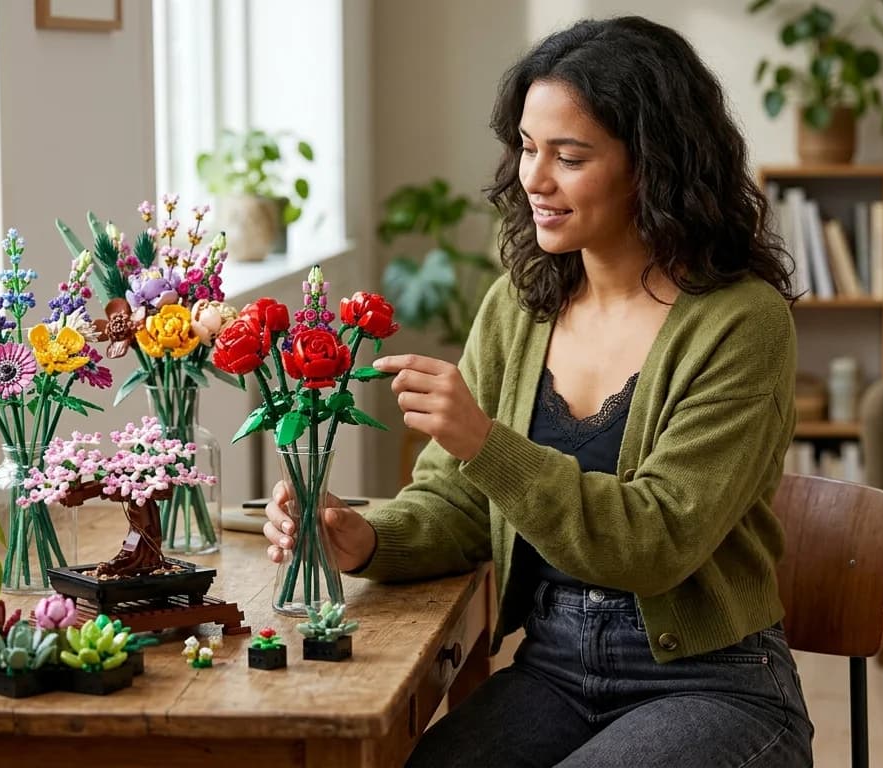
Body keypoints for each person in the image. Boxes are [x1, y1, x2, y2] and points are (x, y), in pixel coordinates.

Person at [263, 16, 813, 767]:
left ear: (652, 165)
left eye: (569, 156)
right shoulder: (518, 308)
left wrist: (485, 443)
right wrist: (366, 539)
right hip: (555, 670)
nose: (534, 179)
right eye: (527, 147)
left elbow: (656, 543)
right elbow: (459, 506)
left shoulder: (742, 323)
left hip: (712, 684)